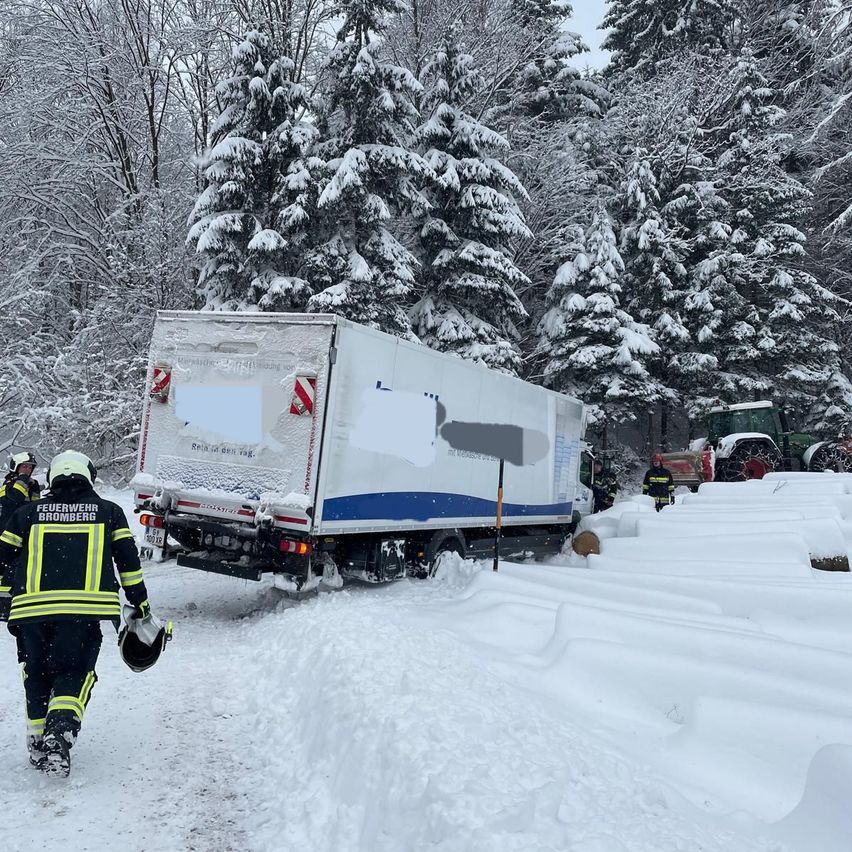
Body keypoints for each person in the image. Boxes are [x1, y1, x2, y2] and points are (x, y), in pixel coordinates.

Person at [0, 450, 153, 777]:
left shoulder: (27, 513)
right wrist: (140, 605)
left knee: (36, 671)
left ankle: (37, 735)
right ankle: (59, 733)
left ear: (53, 476)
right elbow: (128, 564)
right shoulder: (109, 512)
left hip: (30, 612)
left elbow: (2, 555)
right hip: (84, 613)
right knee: (75, 672)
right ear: (89, 476)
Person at [0, 451, 41, 528]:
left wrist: (35, 489)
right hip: (8, 528)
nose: (28, 470)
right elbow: (16, 497)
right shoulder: (8, 483)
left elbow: (35, 506)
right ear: (16, 467)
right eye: (24, 466)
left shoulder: (30, 484)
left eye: (30, 467)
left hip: (25, 526)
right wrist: (23, 478)